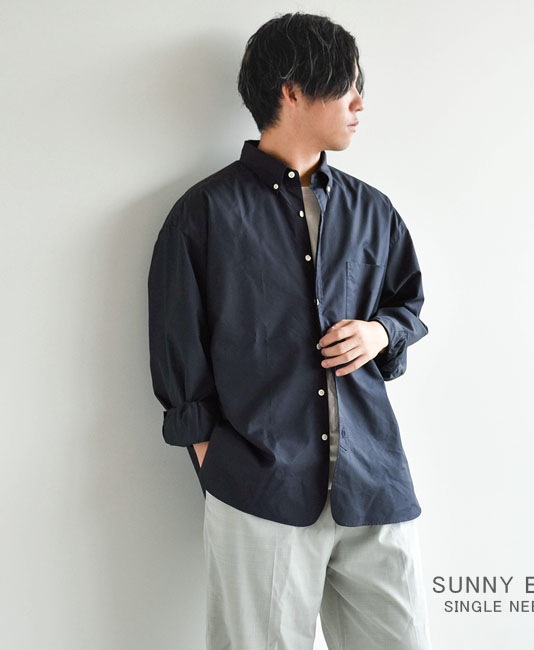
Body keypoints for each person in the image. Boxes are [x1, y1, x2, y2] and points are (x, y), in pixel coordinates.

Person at [148, 12, 431, 650]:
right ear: (293, 90)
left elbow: (408, 305)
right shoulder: (204, 215)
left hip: (374, 482)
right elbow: (177, 345)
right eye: (346, 85)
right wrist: (213, 457)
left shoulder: (372, 210)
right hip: (260, 488)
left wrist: (380, 333)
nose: (360, 103)